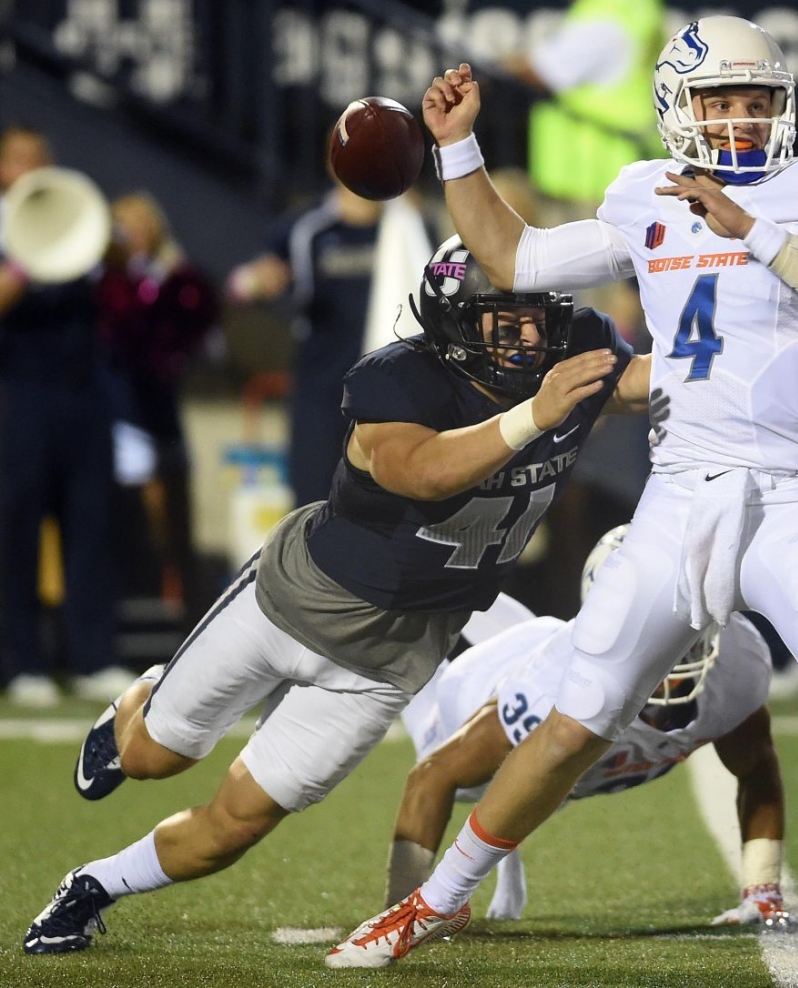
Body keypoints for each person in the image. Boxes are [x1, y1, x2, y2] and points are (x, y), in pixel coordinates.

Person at [326, 18, 798, 981]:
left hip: (797, 491)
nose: (738, 118)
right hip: (683, 490)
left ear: (784, 105)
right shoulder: (645, 194)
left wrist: (752, 230)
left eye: (755, 99)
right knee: (576, 720)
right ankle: (431, 903)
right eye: (719, 101)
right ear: (677, 111)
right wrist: (459, 147)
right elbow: (513, 257)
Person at [22, 237, 651, 955]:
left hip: (388, 663)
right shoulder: (400, 378)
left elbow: (649, 382)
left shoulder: (576, 352)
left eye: (539, 316)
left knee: (235, 827)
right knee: (151, 758)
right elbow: (419, 472)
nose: (529, 338)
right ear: (453, 320)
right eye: (504, 319)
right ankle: (138, 702)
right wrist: (532, 416)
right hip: (292, 605)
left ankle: (93, 885)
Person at [389, 525, 788, 926]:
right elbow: (431, 776)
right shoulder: (549, 692)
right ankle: (407, 586)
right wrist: (400, 904)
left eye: (681, 633)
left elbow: (757, 768)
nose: (667, 657)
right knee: (413, 676)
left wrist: (763, 889)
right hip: (476, 685)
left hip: (544, 647)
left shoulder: (737, 661)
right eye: (647, 635)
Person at [0, 125, 130, 707]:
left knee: (91, 527)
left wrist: (107, 233)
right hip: (17, 399)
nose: (30, 168)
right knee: (15, 532)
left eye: (38, 157)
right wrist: (25, 262)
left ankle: (93, 656)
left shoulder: (75, 213)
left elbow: (127, 255)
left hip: (83, 396)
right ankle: (21, 662)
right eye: (17, 160)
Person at [226, 180, 430, 508]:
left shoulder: (410, 223)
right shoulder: (307, 227)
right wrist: (254, 284)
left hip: (392, 398)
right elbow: (242, 282)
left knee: (395, 513)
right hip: (322, 393)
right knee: (315, 505)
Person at [97, 192, 219, 628]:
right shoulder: (105, 282)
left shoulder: (177, 277)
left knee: (177, 514)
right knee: (129, 514)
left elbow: (196, 328)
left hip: (161, 410)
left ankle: (190, 614)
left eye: (143, 224)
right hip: (118, 414)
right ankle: (125, 604)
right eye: (125, 225)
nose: (135, 234)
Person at [502, 0, 666, 209]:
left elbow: (543, 71)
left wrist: (495, 69)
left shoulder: (609, 11)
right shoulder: (636, 1)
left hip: (600, 182)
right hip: (625, 172)